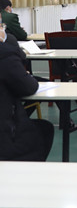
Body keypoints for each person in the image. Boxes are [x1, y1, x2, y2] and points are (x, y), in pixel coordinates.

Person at [0, 24, 54, 161]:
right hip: (5, 138)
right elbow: (28, 87)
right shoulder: (5, 54)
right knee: (44, 129)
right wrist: (25, 75)